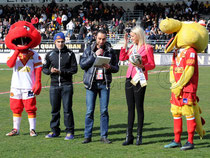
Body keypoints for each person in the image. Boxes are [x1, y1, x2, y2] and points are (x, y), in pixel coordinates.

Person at [80, 30, 119, 144]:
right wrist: (94, 56)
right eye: (99, 39)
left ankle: (104, 136)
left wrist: (109, 67)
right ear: (95, 38)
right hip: (91, 84)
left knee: (104, 111)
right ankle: (87, 136)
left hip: (104, 84)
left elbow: (116, 68)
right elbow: (82, 65)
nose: (101, 41)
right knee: (89, 111)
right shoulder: (88, 49)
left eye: (103, 39)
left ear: (106, 39)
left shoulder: (110, 51)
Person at [119, 26, 155, 145]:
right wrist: (125, 43)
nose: (131, 37)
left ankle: (139, 135)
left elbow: (152, 64)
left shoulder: (147, 48)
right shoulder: (131, 47)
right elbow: (122, 58)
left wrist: (143, 66)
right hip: (129, 79)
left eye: (132, 36)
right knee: (130, 108)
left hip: (140, 79)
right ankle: (129, 136)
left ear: (139, 36)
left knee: (139, 107)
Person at [5, 21, 42, 137]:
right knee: (16, 108)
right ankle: (16, 129)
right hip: (15, 86)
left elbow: (38, 69)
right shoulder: (12, 53)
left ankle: (33, 129)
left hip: (28, 86)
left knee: (30, 108)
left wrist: (38, 82)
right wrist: (16, 51)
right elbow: (10, 64)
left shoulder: (34, 54)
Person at [42, 32, 78, 140]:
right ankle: (54, 131)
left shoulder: (70, 54)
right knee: (54, 110)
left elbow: (74, 69)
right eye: (58, 42)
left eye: (62, 41)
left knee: (67, 110)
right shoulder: (49, 54)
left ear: (64, 42)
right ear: (54, 42)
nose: (60, 44)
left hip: (66, 85)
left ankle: (70, 132)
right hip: (53, 86)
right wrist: (50, 71)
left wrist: (61, 72)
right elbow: (44, 69)